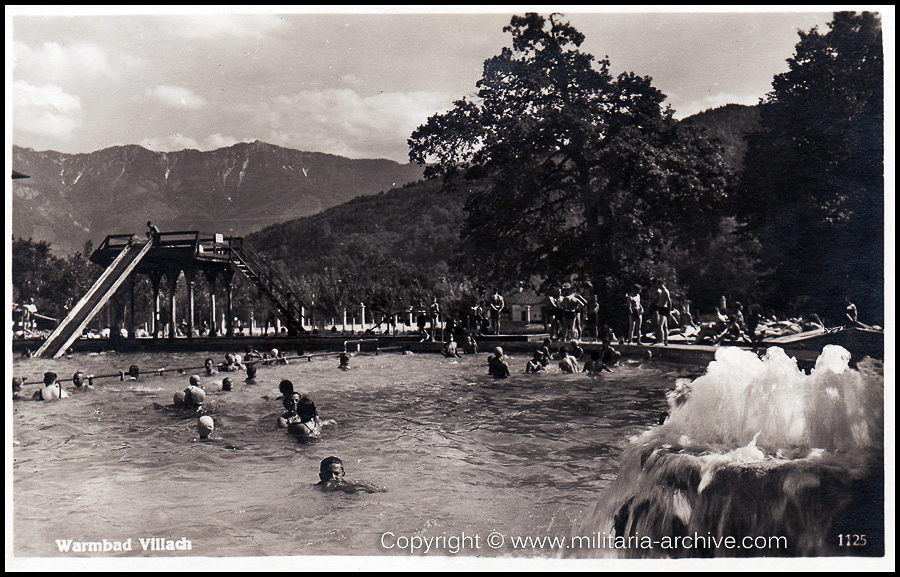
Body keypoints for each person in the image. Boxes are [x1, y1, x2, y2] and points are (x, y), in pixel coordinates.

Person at [653, 280, 672, 346]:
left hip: (664, 308)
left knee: (660, 326)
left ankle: (662, 340)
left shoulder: (665, 291)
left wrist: (669, 311)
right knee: (665, 326)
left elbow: (669, 301)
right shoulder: (661, 292)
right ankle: (666, 340)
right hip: (661, 308)